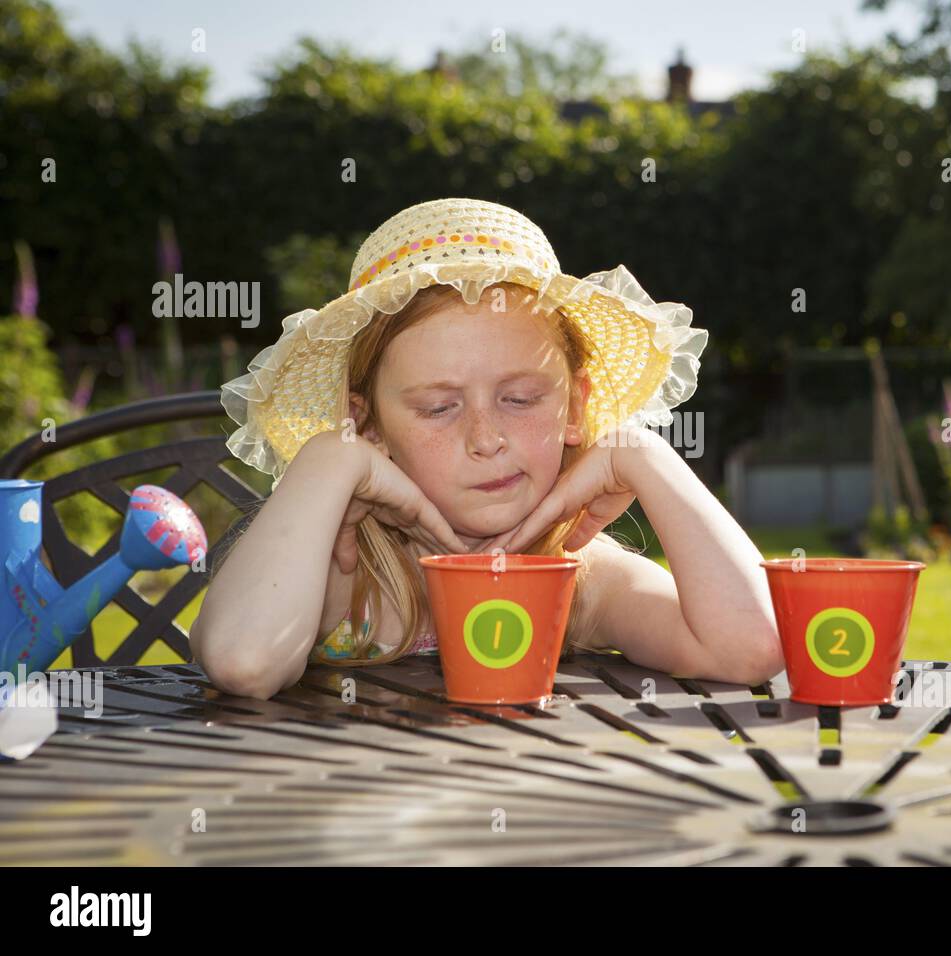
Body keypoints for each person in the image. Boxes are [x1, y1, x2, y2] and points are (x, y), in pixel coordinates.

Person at [190, 198, 782, 700]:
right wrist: (329, 457)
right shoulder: (341, 575)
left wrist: (646, 456)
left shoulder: (581, 577)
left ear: (575, 408)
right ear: (367, 425)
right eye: (438, 408)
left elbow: (752, 649)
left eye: (521, 398)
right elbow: (242, 661)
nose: (486, 439)